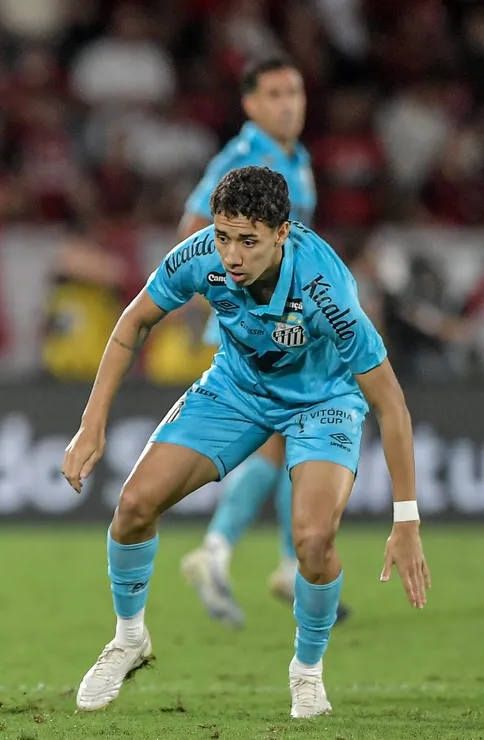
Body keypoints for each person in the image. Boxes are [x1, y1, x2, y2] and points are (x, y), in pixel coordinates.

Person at [62, 166, 429, 718]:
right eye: (223, 236)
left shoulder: (325, 289)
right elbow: (133, 322)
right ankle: (129, 638)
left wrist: (406, 518)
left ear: (282, 234)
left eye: (248, 241)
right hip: (236, 389)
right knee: (133, 506)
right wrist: (92, 422)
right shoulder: (201, 256)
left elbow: (390, 402)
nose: (231, 255)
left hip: (322, 402)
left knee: (311, 540)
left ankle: (306, 671)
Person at [173, 56, 346, 628]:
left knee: (285, 435)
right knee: (287, 431)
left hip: (288, 322)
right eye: (273, 94)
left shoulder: (297, 158)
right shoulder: (241, 158)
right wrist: (232, 302)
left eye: (294, 92)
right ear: (249, 104)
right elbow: (191, 231)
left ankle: (277, 561)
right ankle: (224, 551)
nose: (288, 104)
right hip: (256, 323)